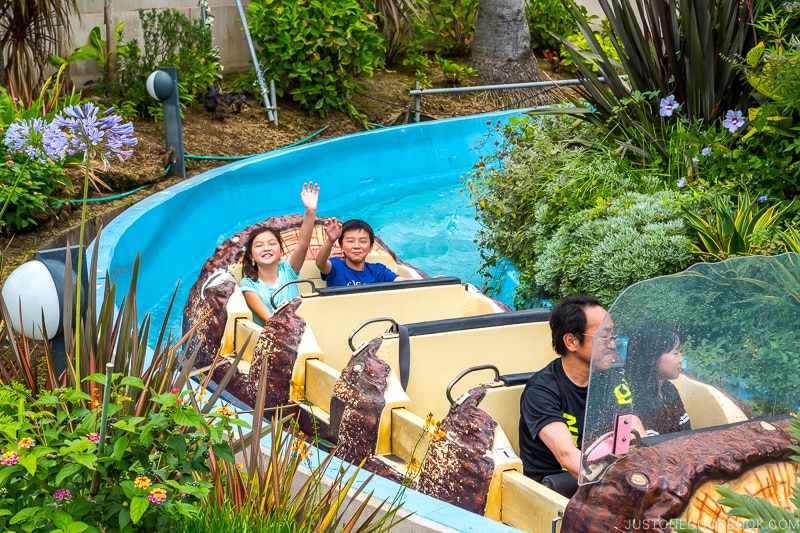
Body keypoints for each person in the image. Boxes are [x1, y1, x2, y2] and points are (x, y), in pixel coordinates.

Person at [518, 294, 643, 489]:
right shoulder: (542, 391)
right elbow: (567, 456)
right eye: (604, 336)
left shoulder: (613, 380)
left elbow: (633, 429)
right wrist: (622, 485)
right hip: (557, 487)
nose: (612, 344)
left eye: (613, 336)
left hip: (607, 476)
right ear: (571, 341)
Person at [240, 182, 319, 326]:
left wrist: (310, 211)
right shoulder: (249, 284)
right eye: (259, 245)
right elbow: (268, 319)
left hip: (297, 332)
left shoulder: (288, 271)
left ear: (280, 251)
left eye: (272, 243)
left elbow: (303, 244)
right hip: (272, 339)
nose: (266, 248)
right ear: (251, 256)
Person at [624, 321, 691, 436]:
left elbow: (686, 434)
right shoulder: (636, 400)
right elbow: (647, 448)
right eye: (675, 353)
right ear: (651, 357)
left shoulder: (668, 390)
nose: (681, 359)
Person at [315, 218, 411, 287]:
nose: (357, 246)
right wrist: (331, 240)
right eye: (350, 241)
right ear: (341, 247)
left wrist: (424, 283)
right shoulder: (337, 267)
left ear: (370, 248)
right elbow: (320, 263)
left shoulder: (378, 270)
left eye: (363, 241)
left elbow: (400, 281)